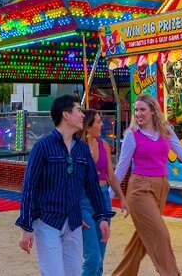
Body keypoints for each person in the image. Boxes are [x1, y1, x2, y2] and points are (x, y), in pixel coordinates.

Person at [111, 93, 182, 276]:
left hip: (161, 186)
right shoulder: (132, 135)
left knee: (141, 239)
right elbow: (121, 167)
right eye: (136, 110)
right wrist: (110, 194)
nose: (138, 113)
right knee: (160, 233)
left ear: (153, 111)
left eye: (142, 109)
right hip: (139, 189)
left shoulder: (166, 131)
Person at [16, 95, 113, 276]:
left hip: (74, 223)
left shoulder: (82, 149)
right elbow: (30, 187)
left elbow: (92, 185)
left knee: (73, 272)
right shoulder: (42, 147)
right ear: (66, 115)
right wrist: (26, 227)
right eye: (78, 110)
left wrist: (101, 216)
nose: (83, 115)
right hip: (47, 222)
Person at [81, 109, 129, 276]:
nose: (102, 124)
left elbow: (111, 175)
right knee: (92, 257)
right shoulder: (77, 147)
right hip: (83, 201)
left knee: (100, 256)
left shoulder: (104, 145)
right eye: (98, 122)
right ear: (88, 126)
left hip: (102, 199)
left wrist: (122, 197)